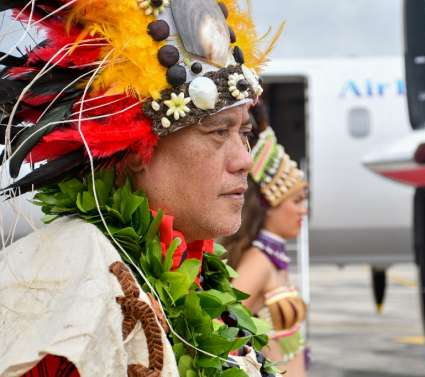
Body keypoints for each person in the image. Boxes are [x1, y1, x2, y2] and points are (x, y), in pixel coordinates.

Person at [0, 1, 282, 376]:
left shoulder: (196, 273)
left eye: (243, 132)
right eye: (217, 132)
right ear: (137, 151)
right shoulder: (80, 288)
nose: (244, 160)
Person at [221, 126, 309, 377]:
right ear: (269, 207)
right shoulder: (258, 261)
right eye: (296, 201)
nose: (303, 210)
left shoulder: (272, 258)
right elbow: (223, 329)